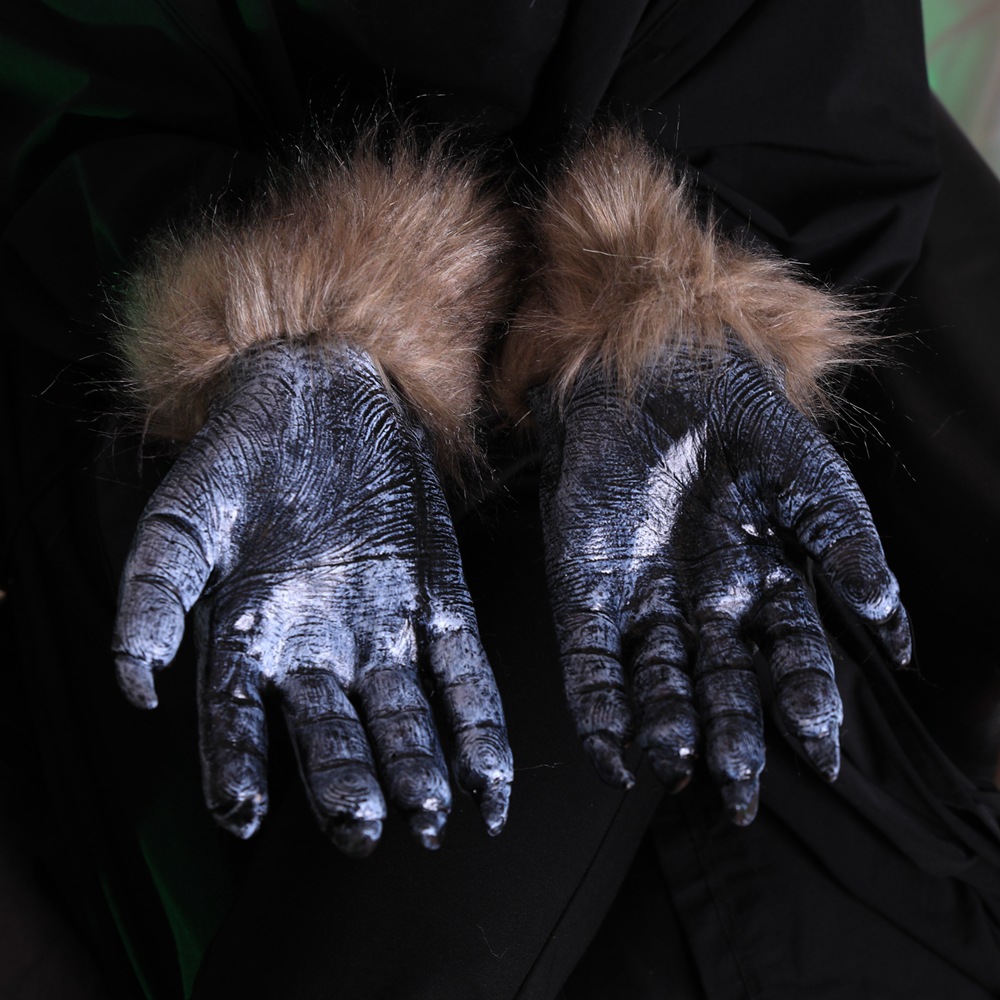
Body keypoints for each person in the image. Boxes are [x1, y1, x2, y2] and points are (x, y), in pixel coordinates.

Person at [2, 2, 998, 998]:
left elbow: (809, 80)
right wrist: (298, 325)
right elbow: (62, 88)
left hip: (675, 534)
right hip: (211, 458)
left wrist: (674, 303)